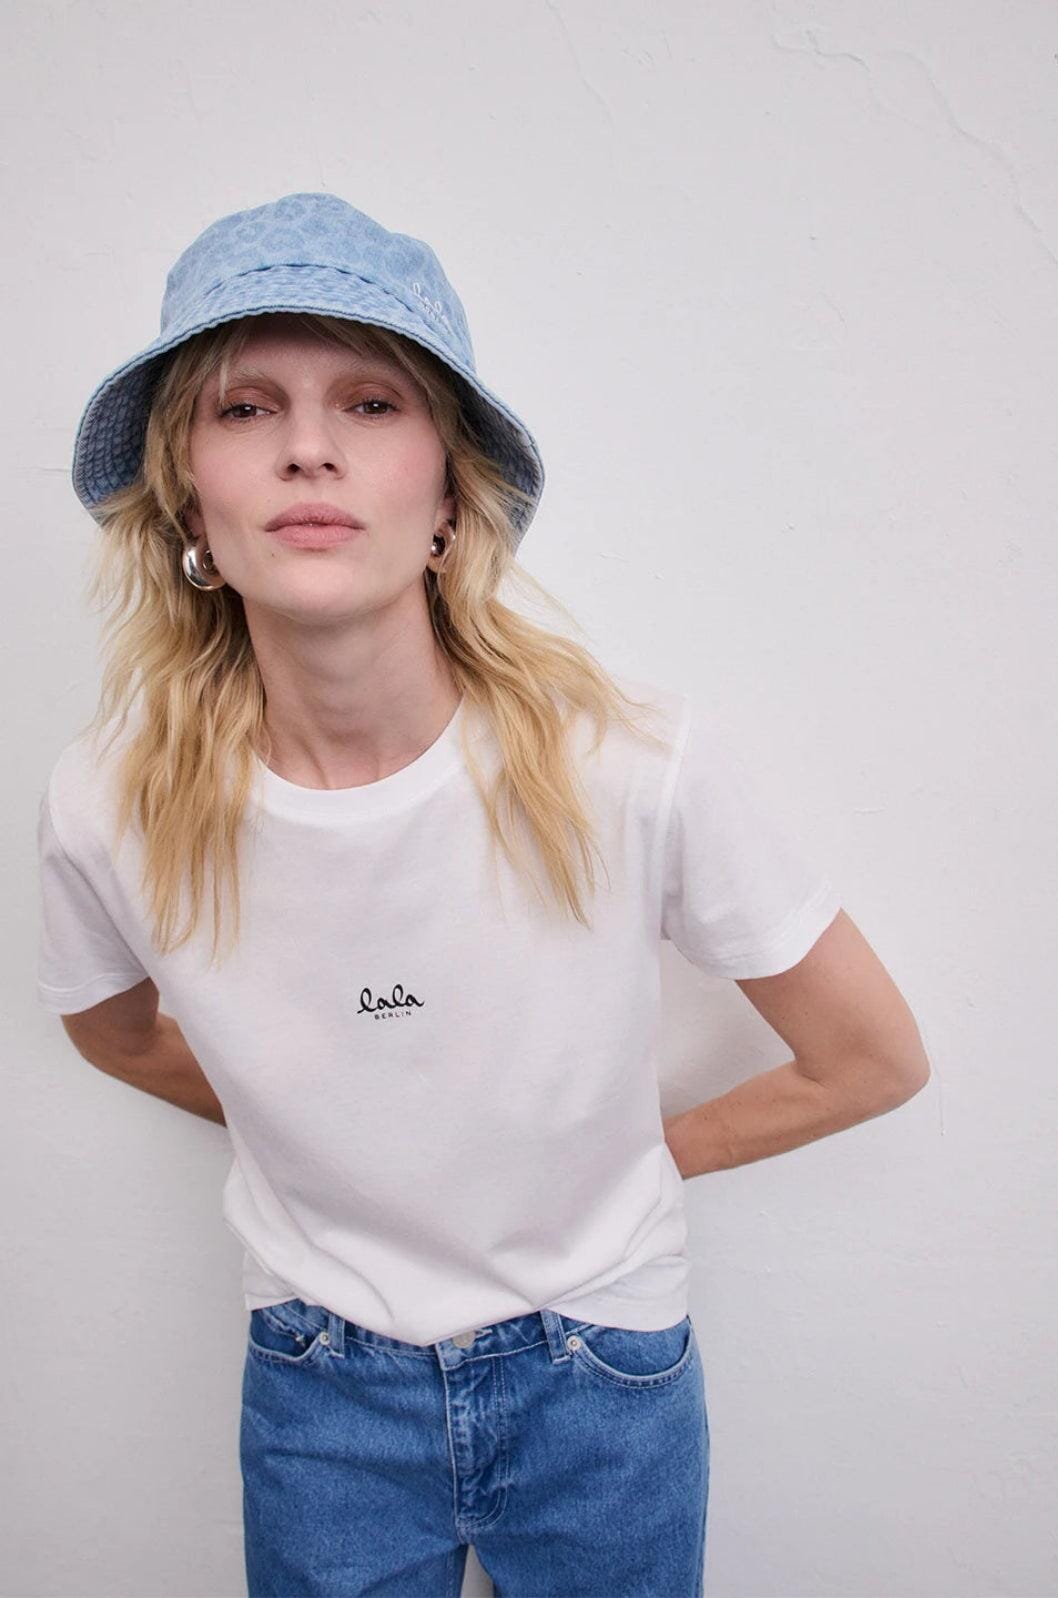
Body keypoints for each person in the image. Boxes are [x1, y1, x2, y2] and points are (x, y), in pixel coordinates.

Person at [35, 192, 929, 1598]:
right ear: (188, 500)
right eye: (246, 408)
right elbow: (112, 1030)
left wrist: (627, 1156)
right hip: (318, 1385)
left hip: (601, 1371)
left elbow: (871, 1057)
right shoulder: (109, 804)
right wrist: (323, 1121)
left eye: (371, 402)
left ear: (450, 496)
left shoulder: (628, 763)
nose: (309, 446)